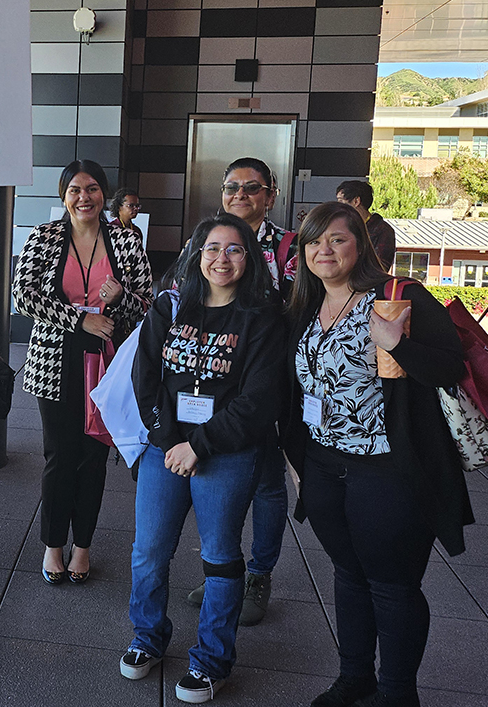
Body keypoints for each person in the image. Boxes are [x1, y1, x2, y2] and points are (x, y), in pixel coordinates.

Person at [284, 202, 472, 707]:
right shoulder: (305, 306)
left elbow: (451, 367)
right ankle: (355, 676)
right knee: (347, 575)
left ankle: (397, 692)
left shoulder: (397, 298)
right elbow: (297, 391)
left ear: (359, 247)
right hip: (323, 464)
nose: (324, 250)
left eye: (337, 239)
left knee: (392, 585)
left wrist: (398, 344)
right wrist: (297, 464)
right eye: (314, 241)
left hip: (388, 468)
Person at [125, 213, 286, 703]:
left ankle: (212, 659)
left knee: (218, 557)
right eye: (212, 248)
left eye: (234, 249)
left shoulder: (262, 316)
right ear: (197, 254)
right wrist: (170, 438)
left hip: (227, 452)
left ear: (249, 258)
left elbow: (257, 400)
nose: (222, 258)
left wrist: (199, 445)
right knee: (149, 551)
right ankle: (147, 637)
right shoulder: (171, 304)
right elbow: (145, 374)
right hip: (166, 447)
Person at [13, 159, 153, 584]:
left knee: (94, 457)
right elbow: (23, 295)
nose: (83, 197)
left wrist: (120, 296)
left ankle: (83, 546)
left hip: (108, 363)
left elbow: (148, 304)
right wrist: (79, 319)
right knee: (59, 454)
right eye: (74, 189)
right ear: (63, 196)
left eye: (91, 189)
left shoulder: (126, 241)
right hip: (55, 360)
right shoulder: (46, 236)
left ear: (103, 195)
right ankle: (54, 544)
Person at [183, 157, 295, 626]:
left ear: (271, 194)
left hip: (270, 379)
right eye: (232, 187)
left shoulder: (290, 246)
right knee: (217, 478)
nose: (241, 195)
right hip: (210, 384)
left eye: (253, 188)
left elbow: (296, 307)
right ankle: (221, 569)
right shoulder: (203, 240)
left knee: (267, 481)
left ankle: (258, 573)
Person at [337, 179, 397, 271]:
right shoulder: (342, 227)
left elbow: (380, 268)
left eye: (341, 201)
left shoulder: (382, 230)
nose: (338, 207)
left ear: (356, 201)